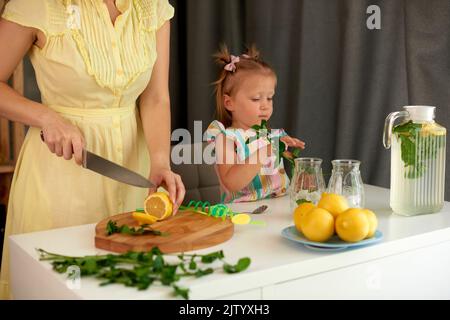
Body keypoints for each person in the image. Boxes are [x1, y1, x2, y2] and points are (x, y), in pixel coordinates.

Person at [0, 0, 185, 299]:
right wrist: (46, 117)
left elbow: (155, 97)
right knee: (64, 286)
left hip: (132, 170)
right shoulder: (37, 5)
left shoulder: (151, 7)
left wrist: (161, 161)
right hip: (59, 175)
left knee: (127, 286)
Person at [205, 45, 306, 203]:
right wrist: (267, 150)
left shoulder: (269, 136)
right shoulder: (225, 137)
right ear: (229, 103)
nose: (265, 105)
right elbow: (231, 183)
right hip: (243, 213)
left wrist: (288, 154)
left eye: (269, 98)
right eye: (256, 99)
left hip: (277, 207)